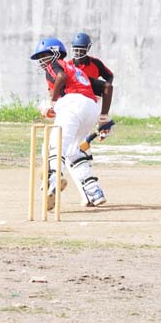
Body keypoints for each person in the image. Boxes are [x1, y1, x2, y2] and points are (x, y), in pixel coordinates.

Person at [30, 36, 108, 209]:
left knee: (53, 146)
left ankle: (53, 182)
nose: (42, 61)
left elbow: (61, 76)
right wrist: (104, 117)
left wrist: (52, 102)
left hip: (73, 105)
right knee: (73, 151)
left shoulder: (56, 66)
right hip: (91, 108)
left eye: (44, 56)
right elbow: (107, 87)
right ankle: (93, 191)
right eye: (40, 58)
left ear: (55, 53)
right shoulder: (77, 70)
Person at [69, 32, 114, 118]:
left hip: (91, 96)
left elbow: (109, 75)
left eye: (82, 49)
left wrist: (102, 91)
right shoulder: (69, 65)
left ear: (88, 48)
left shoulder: (95, 63)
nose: (78, 52)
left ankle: (103, 117)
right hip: (74, 96)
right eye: (76, 49)